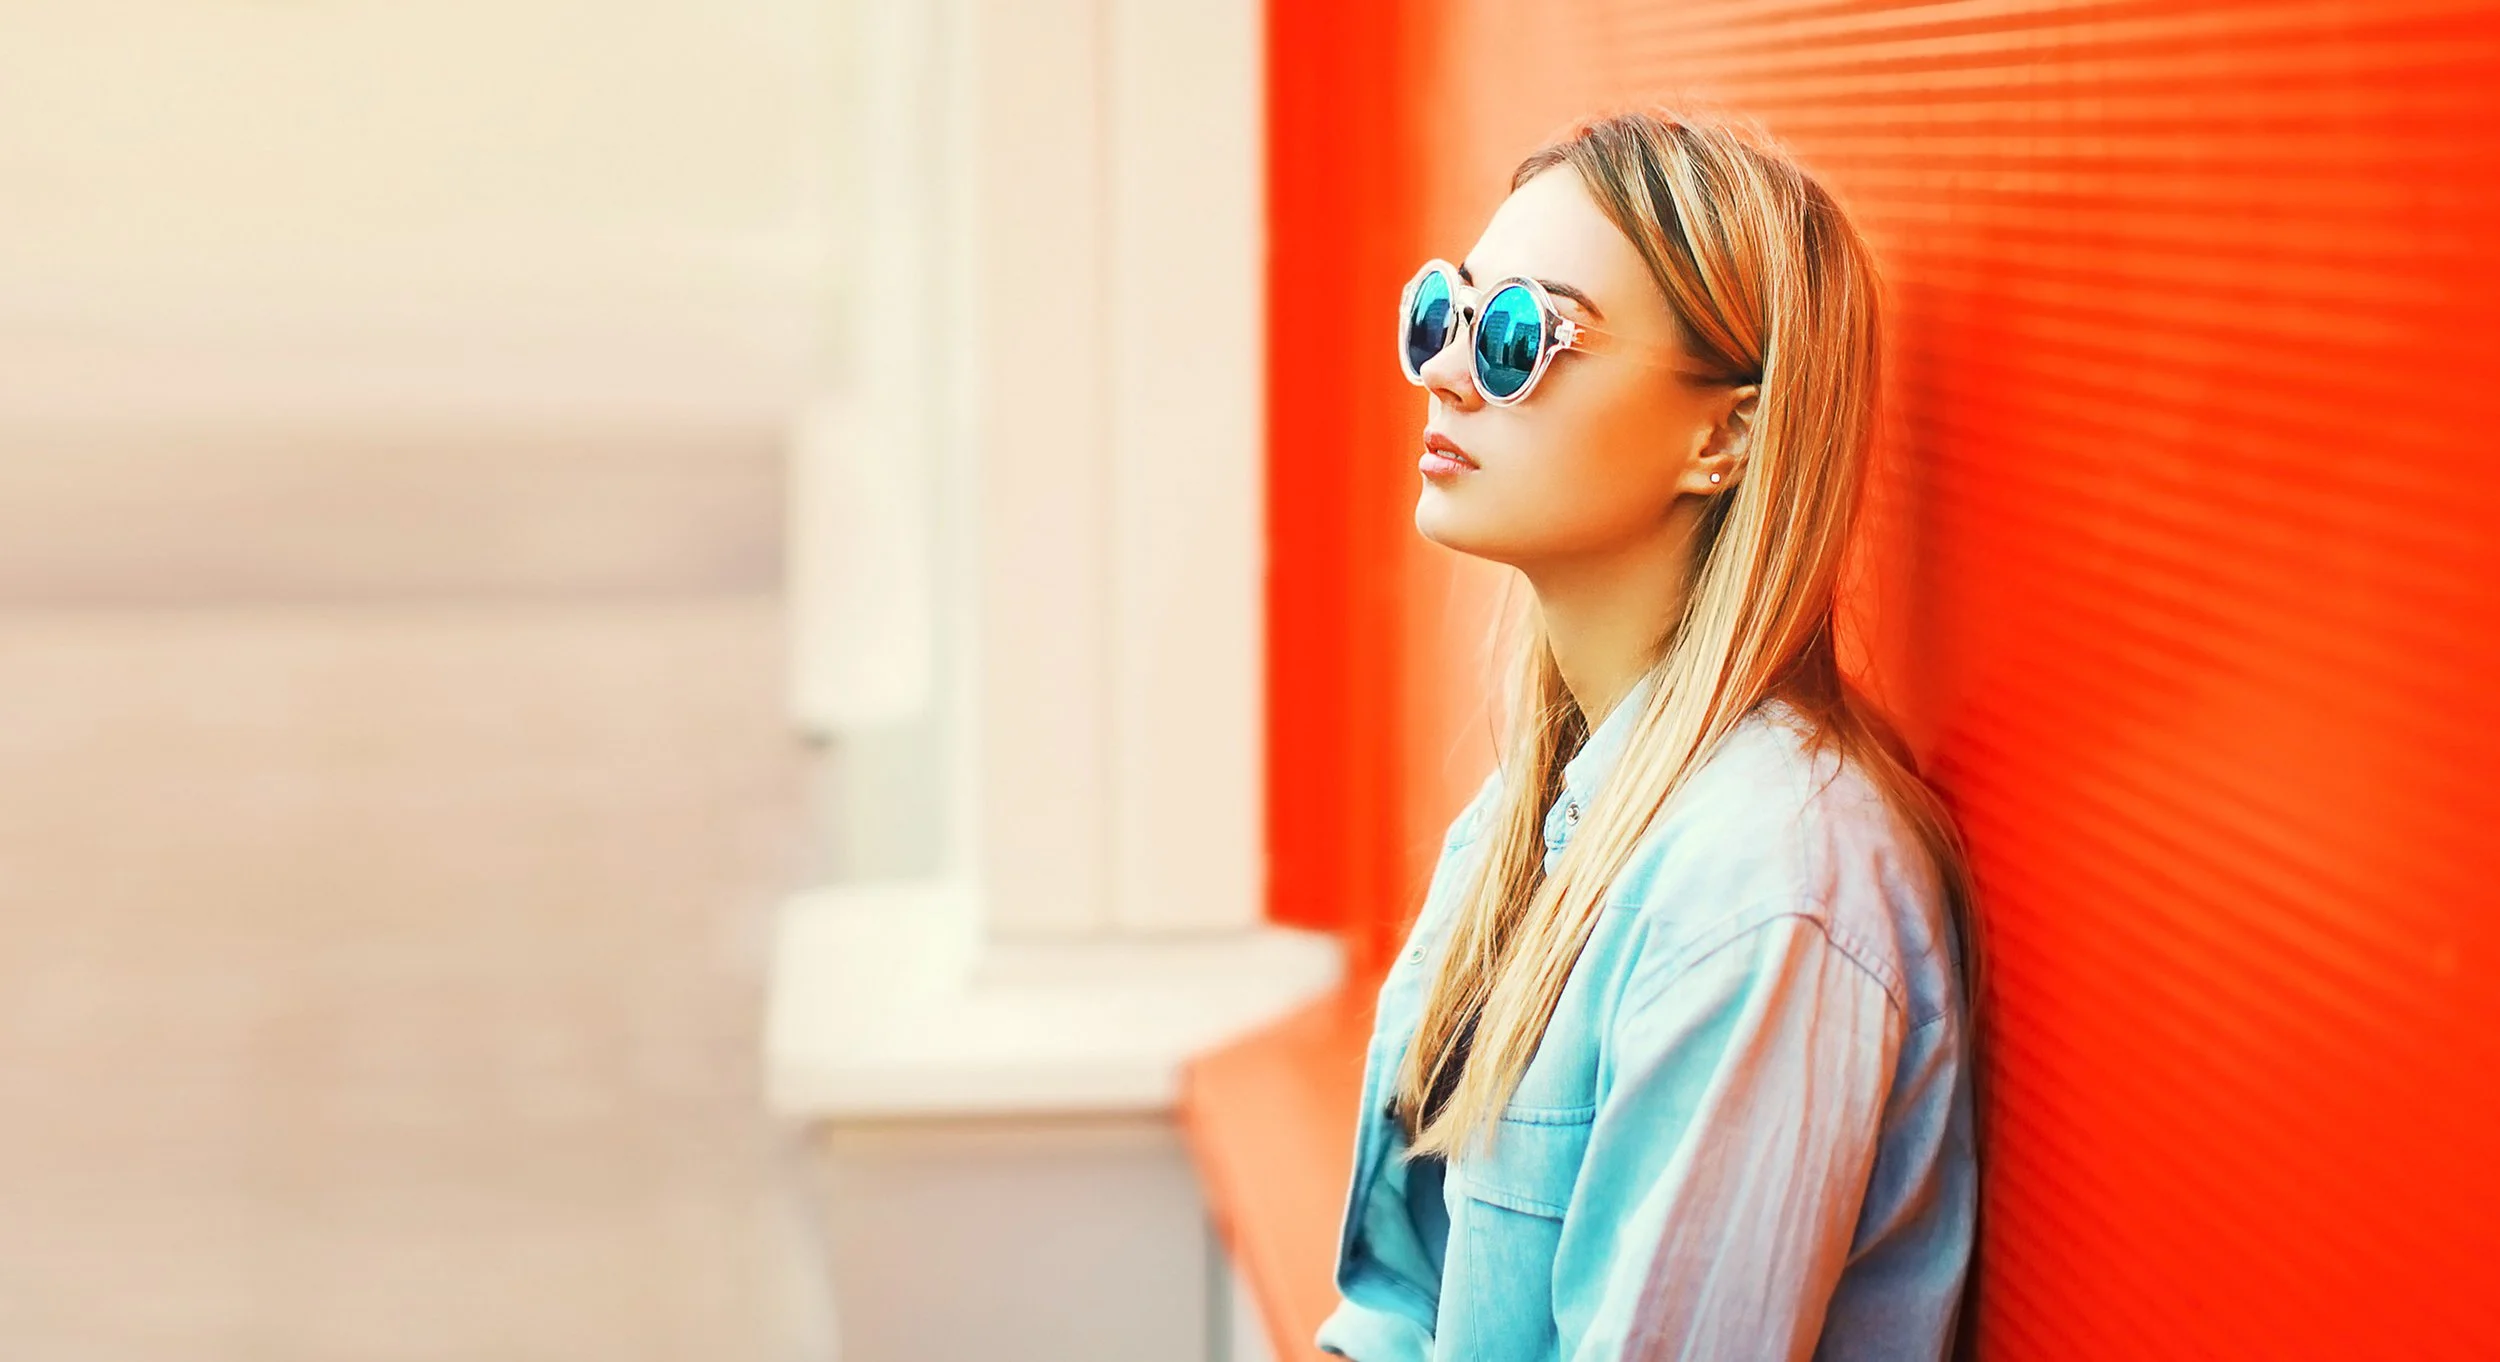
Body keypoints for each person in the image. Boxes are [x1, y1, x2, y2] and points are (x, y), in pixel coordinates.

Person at [1315, 105, 1986, 1362]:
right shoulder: (1540, 813)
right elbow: (1406, 1306)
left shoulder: (1769, 885)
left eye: (1521, 337)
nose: (1448, 371)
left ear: (1723, 436)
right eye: (1445, 314)